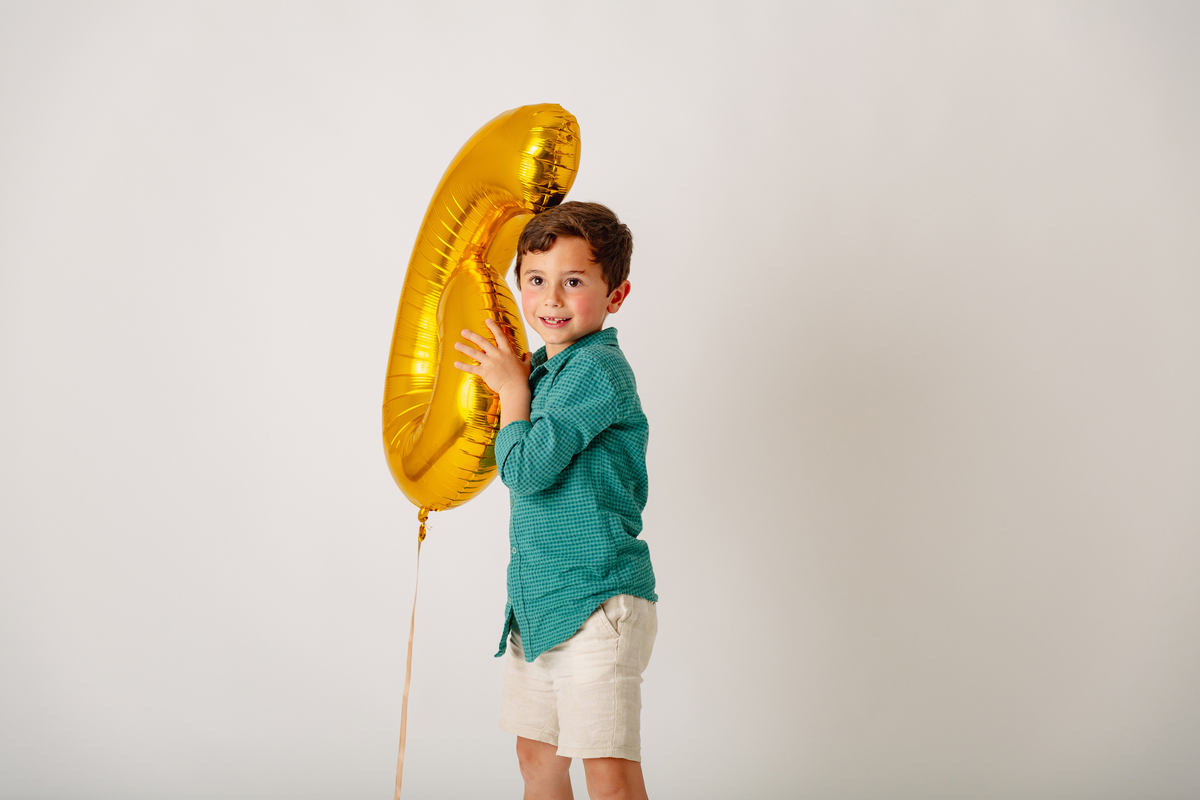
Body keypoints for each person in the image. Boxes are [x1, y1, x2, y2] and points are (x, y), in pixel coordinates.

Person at [453, 201, 658, 800]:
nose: (551, 299)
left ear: (615, 295)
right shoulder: (547, 370)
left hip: (595, 601)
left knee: (608, 772)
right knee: (536, 758)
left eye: (573, 282)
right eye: (536, 280)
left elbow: (526, 471)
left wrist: (512, 392)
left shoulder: (596, 369)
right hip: (540, 603)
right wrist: (518, 385)